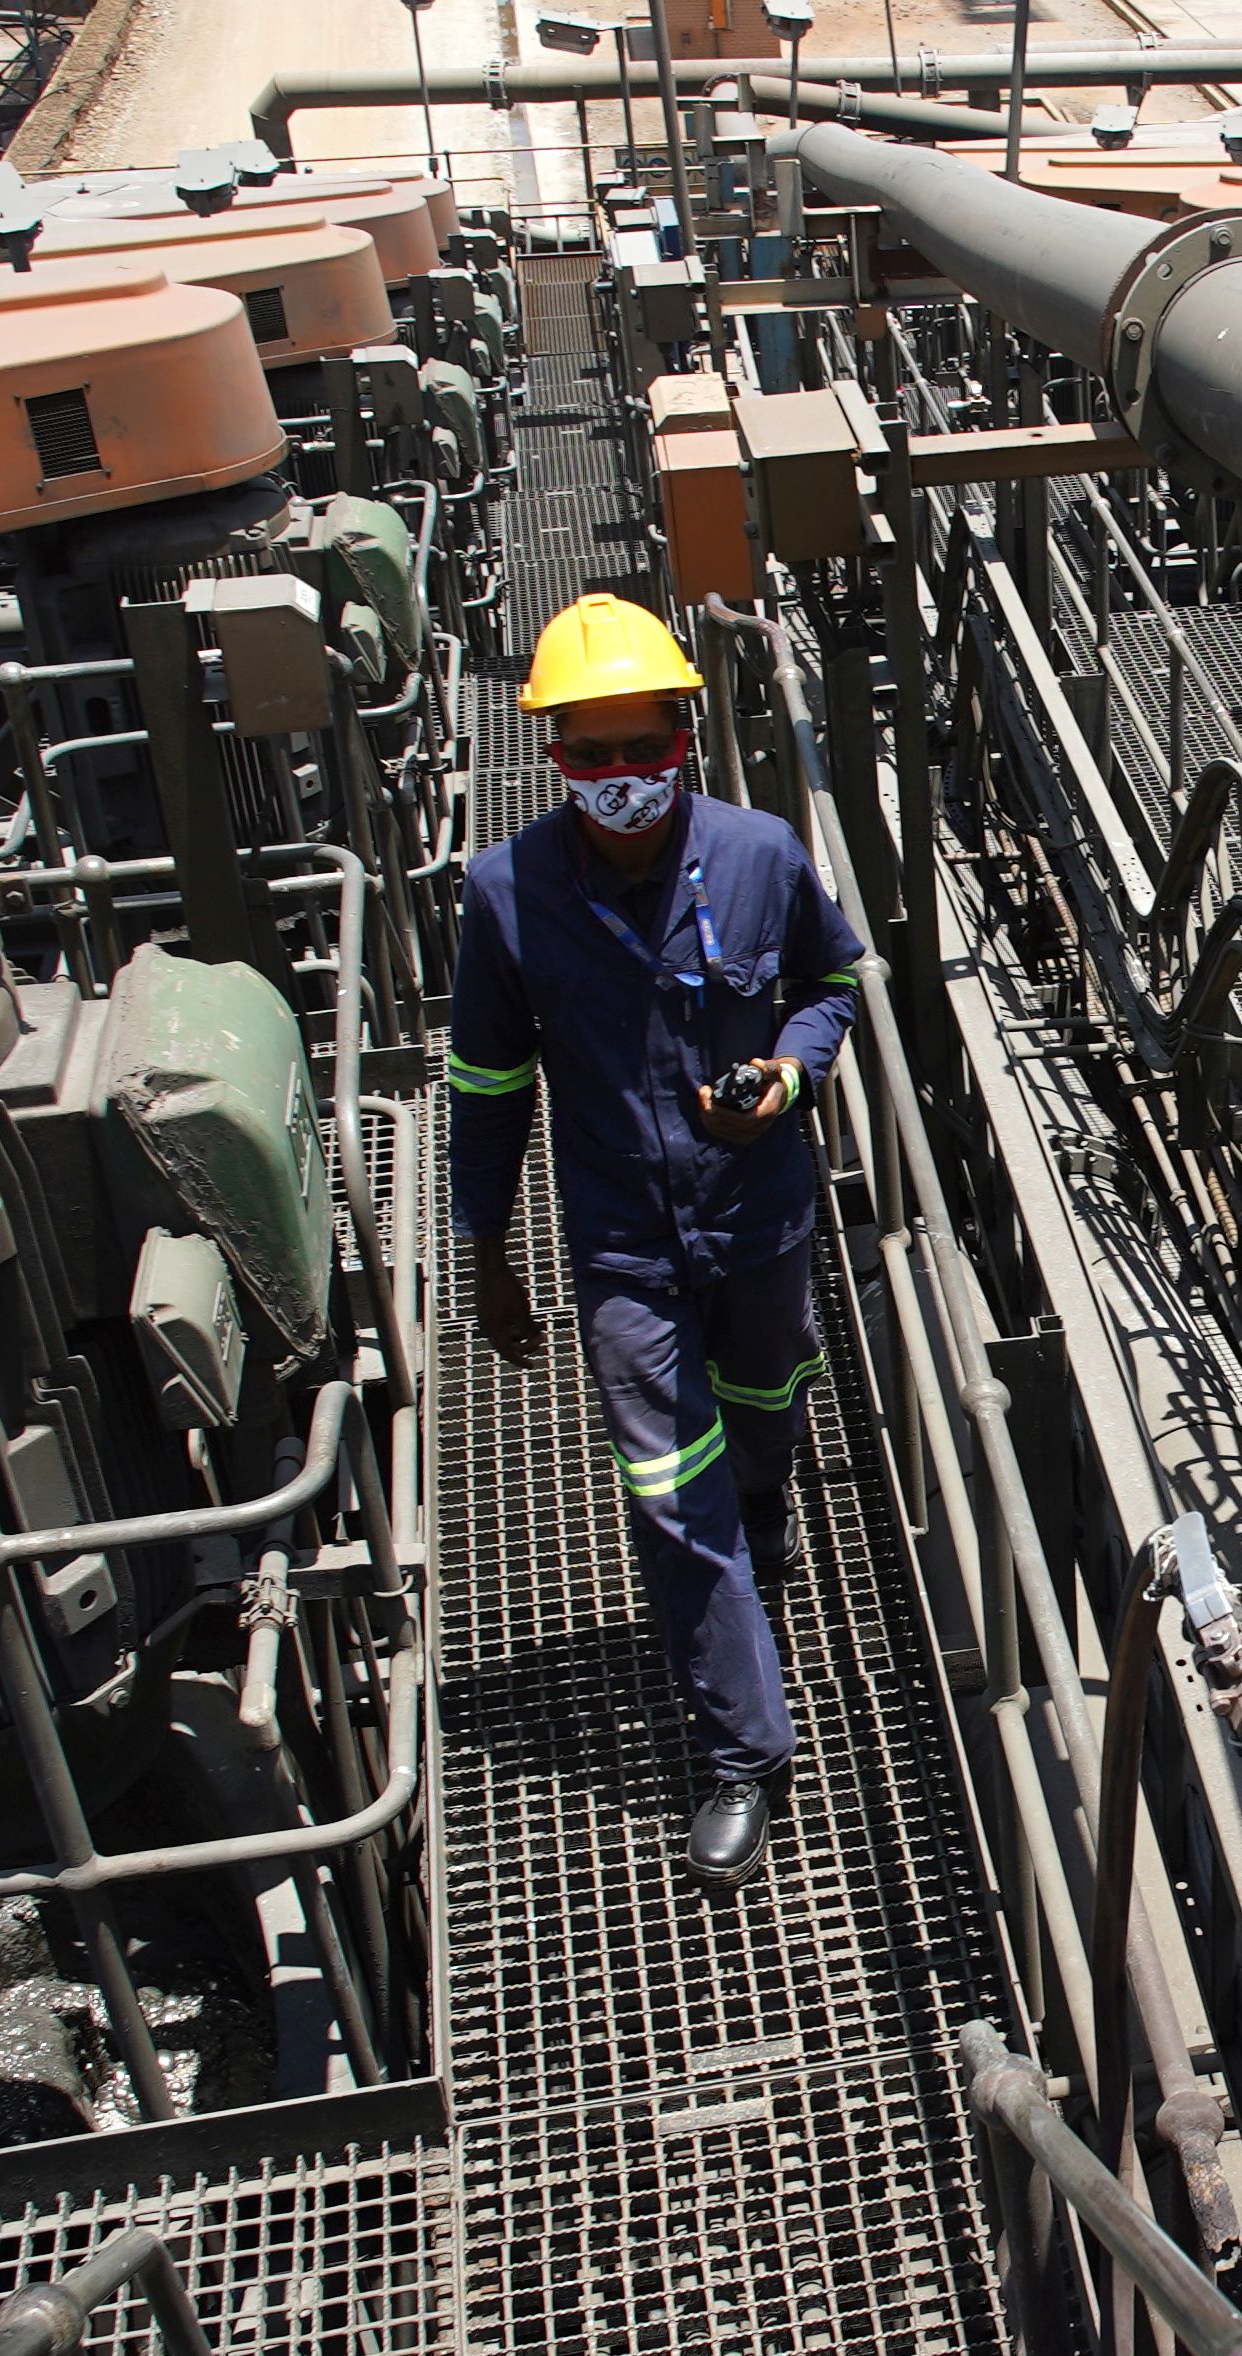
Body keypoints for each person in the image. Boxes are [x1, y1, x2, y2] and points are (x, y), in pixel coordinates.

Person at [445, 593, 867, 1886]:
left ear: (685, 733)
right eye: (591, 753)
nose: (621, 777)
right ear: (554, 755)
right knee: (671, 1499)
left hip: (758, 1217)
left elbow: (832, 984)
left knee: (763, 1400)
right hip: (624, 1243)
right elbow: (487, 1083)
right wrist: (486, 1246)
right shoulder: (506, 898)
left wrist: (789, 1080)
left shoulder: (759, 857)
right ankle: (745, 1751)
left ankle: (767, 1494)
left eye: (643, 748)